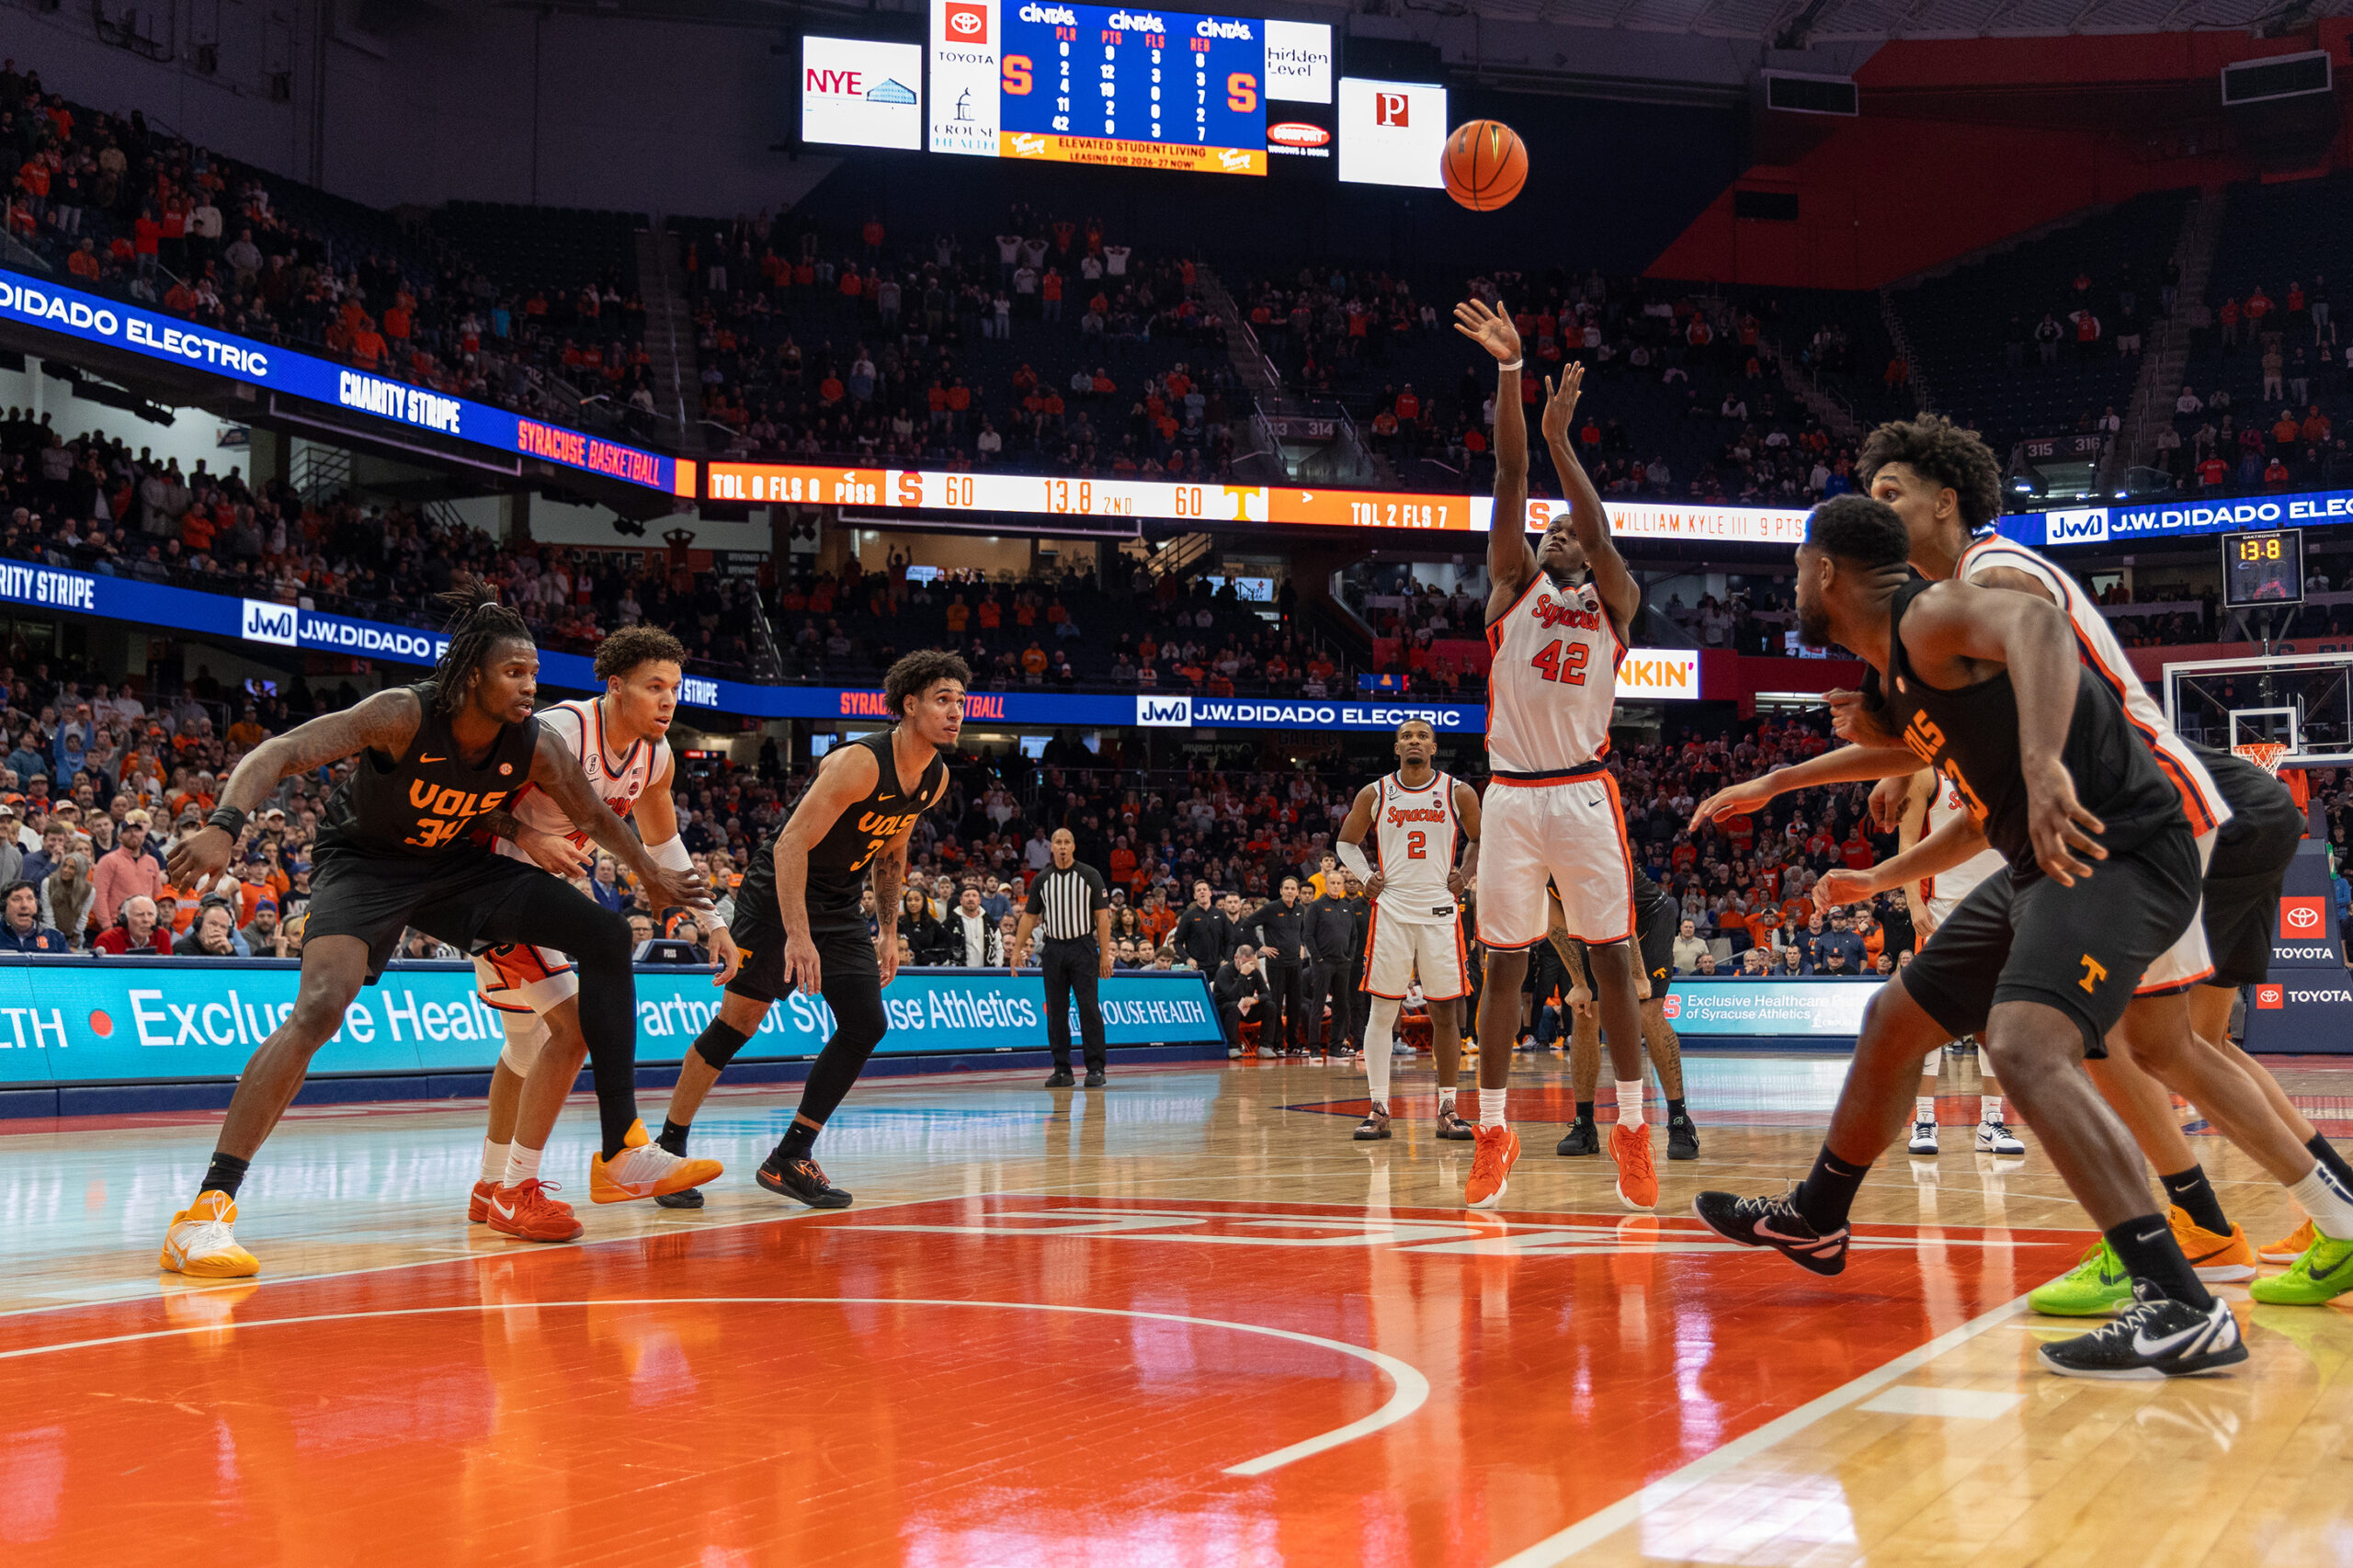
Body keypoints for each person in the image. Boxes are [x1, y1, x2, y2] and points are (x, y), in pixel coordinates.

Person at [1689, 495, 2251, 1378]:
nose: (1794, 582)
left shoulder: (1930, 613)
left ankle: (2183, 1303)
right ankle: (1819, 1215)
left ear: (1827, 571)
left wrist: (2041, 760)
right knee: (1895, 1020)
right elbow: (1907, 751)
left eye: (1799, 566)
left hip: (2119, 850)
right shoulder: (1893, 675)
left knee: (2027, 1047)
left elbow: (2037, 624)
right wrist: (1780, 780)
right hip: (2036, 868)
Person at [1856, 414, 2353, 1305]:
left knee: (2087, 1032)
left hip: (2164, 810)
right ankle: (2248, 1223)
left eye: (1890, 492)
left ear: (1946, 500)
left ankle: (2206, 1230)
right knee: (2161, 1040)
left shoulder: (1994, 573)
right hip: (2183, 808)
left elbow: (2043, 673)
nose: (1875, 509)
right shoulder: (1954, 622)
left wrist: (2024, 765)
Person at [153, 593, 710, 1279]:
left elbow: (596, 816)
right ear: (472, 674)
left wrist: (648, 874)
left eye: (534, 672)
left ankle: (620, 1149)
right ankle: (205, 1212)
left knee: (603, 934)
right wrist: (225, 823)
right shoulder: (402, 713)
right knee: (321, 1008)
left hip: (454, 868)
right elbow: (281, 750)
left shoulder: (534, 742)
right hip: (366, 866)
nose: (530, 686)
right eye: (514, 672)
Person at [639, 650, 967, 1210]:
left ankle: (790, 1155)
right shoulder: (859, 763)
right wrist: (797, 934)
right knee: (738, 1023)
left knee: (866, 1022)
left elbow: (892, 855)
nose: (957, 711)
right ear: (909, 705)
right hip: (778, 894)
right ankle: (667, 1151)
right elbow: (790, 845)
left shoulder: (934, 778)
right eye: (943, 700)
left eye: (961, 701)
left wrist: (888, 930)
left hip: (839, 903)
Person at [1453, 300, 1652, 1211]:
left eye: (1567, 529)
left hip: (1582, 793)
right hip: (1510, 797)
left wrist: (1565, 442)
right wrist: (1509, 377)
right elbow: (1505, 473)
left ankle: (1633, 1127)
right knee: (1501, 965)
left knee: (1612, 963)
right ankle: (1492, 1127)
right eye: (1548, 530)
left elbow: (1601, 536)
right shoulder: (1508, 591)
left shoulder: (1613, 599)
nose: (1559, 533)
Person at [463, 627, 731, 1235]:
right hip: (493, 889)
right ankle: (517, 1191)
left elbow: (664, 843)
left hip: (549, 904)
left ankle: (490, 1185)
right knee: (574, 1028)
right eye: (653, 687)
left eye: (675, 689)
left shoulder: (655, 756)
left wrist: (711, 920)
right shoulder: (559, 730)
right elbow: (471, 799)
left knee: (526, 1048)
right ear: (615, 687)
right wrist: (530, 835)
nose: (668, 701)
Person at [1335, 717, 1480, 1141]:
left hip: (1439, 909)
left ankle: (1447, 1108)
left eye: (1421, 736)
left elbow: (1480, 838)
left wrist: (1466, 873)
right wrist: (1364, 876)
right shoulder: (1375, 792)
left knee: (1445, 1012)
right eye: (1406, 737)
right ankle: (1378, 1107)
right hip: (1392, 909)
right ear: (1396, 748)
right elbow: (1346, 843)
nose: (1413, 742)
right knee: (1382, 1010)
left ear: (1434, 748)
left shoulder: (1457, 791)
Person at [1891, 767, 2017, 1155]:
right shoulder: (1927, 776)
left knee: (1993, 1021)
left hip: (2002, 910)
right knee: (1931, 1021)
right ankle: (1924, 1119)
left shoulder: (2003, 767)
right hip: (1941, 912)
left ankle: (1991, 1122)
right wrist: (1913, 902)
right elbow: (1908, 844)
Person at [1552, 868, 1699, 1160]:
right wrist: (1579, 983)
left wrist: (1639, 975)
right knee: (1583, 1012)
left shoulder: (1587, 844)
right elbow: (1555, 926)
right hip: (1591, 929)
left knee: (1647, 1011)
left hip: (1645, 916)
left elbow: (1621, 911)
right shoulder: (1535, 856)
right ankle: (1584, 1125)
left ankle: (1680, 1121)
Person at [1013, 827, 1114, 1087]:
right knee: (1056, 1012)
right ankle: (1062, 1069)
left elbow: (1102, 917)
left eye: (1067, 842)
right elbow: (1029, 917)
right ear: (1051, 847)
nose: (1062, 846)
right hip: (1054, 949)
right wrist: (1016, 949)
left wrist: (1104, 954)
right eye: (1057, 842)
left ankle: (1095, 1068)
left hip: (1083, 947)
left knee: (1089, 1008)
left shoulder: (1090, 875)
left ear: (1073, 847)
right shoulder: (1042, 879)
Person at [1244, 876, 1312, 1056]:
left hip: (1295, 964)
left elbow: (1303, 930)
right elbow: (1247, 925)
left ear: (1297, 892)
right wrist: (1261, 948)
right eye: (1286, 888)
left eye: (1292, 888)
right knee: (1275, 1004)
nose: (1289, 891)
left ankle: (1293, 1044)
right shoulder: (1270, 908)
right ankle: (1277, 1044)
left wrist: (1302, 945)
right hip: (1277, 964)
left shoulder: (1299, 909)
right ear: (1281, 891)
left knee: (1295, 1005)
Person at [1212, 943, 1268, 1056]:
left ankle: (1265, 1046)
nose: (1247, 966)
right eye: (1244, 963)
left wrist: (1255, 999)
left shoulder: (1254, 972)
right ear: (1236, 958)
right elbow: (1231, 995)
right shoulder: (1224, 972)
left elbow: (1267, 994)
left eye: (1250, 963)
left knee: (1269, 1005)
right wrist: (1242, 975)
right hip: (1225, 1009)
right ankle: (1232, 1047)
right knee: (1234, 1005)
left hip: (1245, 1008)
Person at [1171, 880, 1229, 971]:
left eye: (1204, 889)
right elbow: (1177, 942)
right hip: (1197, 967)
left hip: (1219, 967)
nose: (1202, 892)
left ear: (1210, 893)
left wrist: (1227, 959)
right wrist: (1187, 959)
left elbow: (1229, 940)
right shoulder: (1188, 916)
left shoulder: (1221, 914)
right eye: (1198, 890)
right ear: (1194, 896)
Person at [0, 879, 69, 952]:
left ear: (37, 906)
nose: (24, 905)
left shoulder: (55, 938)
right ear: (4, 906)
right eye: (17, 899)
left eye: (30, 899)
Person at [945, 883, 1002, 968]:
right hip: (958, 974)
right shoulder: (950, 923)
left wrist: (996, 968)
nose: (970, 899)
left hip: (987, 973)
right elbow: (942, 948)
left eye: (974, 896)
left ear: (979, 900)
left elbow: (999, 947)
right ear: (961, 900)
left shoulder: (989, 922)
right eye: (967, 896)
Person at [93, 894, 171, 955]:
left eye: (150, 914)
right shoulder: (107, 940)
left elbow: (168, 972)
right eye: (140, 915)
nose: (146, 920)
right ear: (125, 920)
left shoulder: (162, 936)